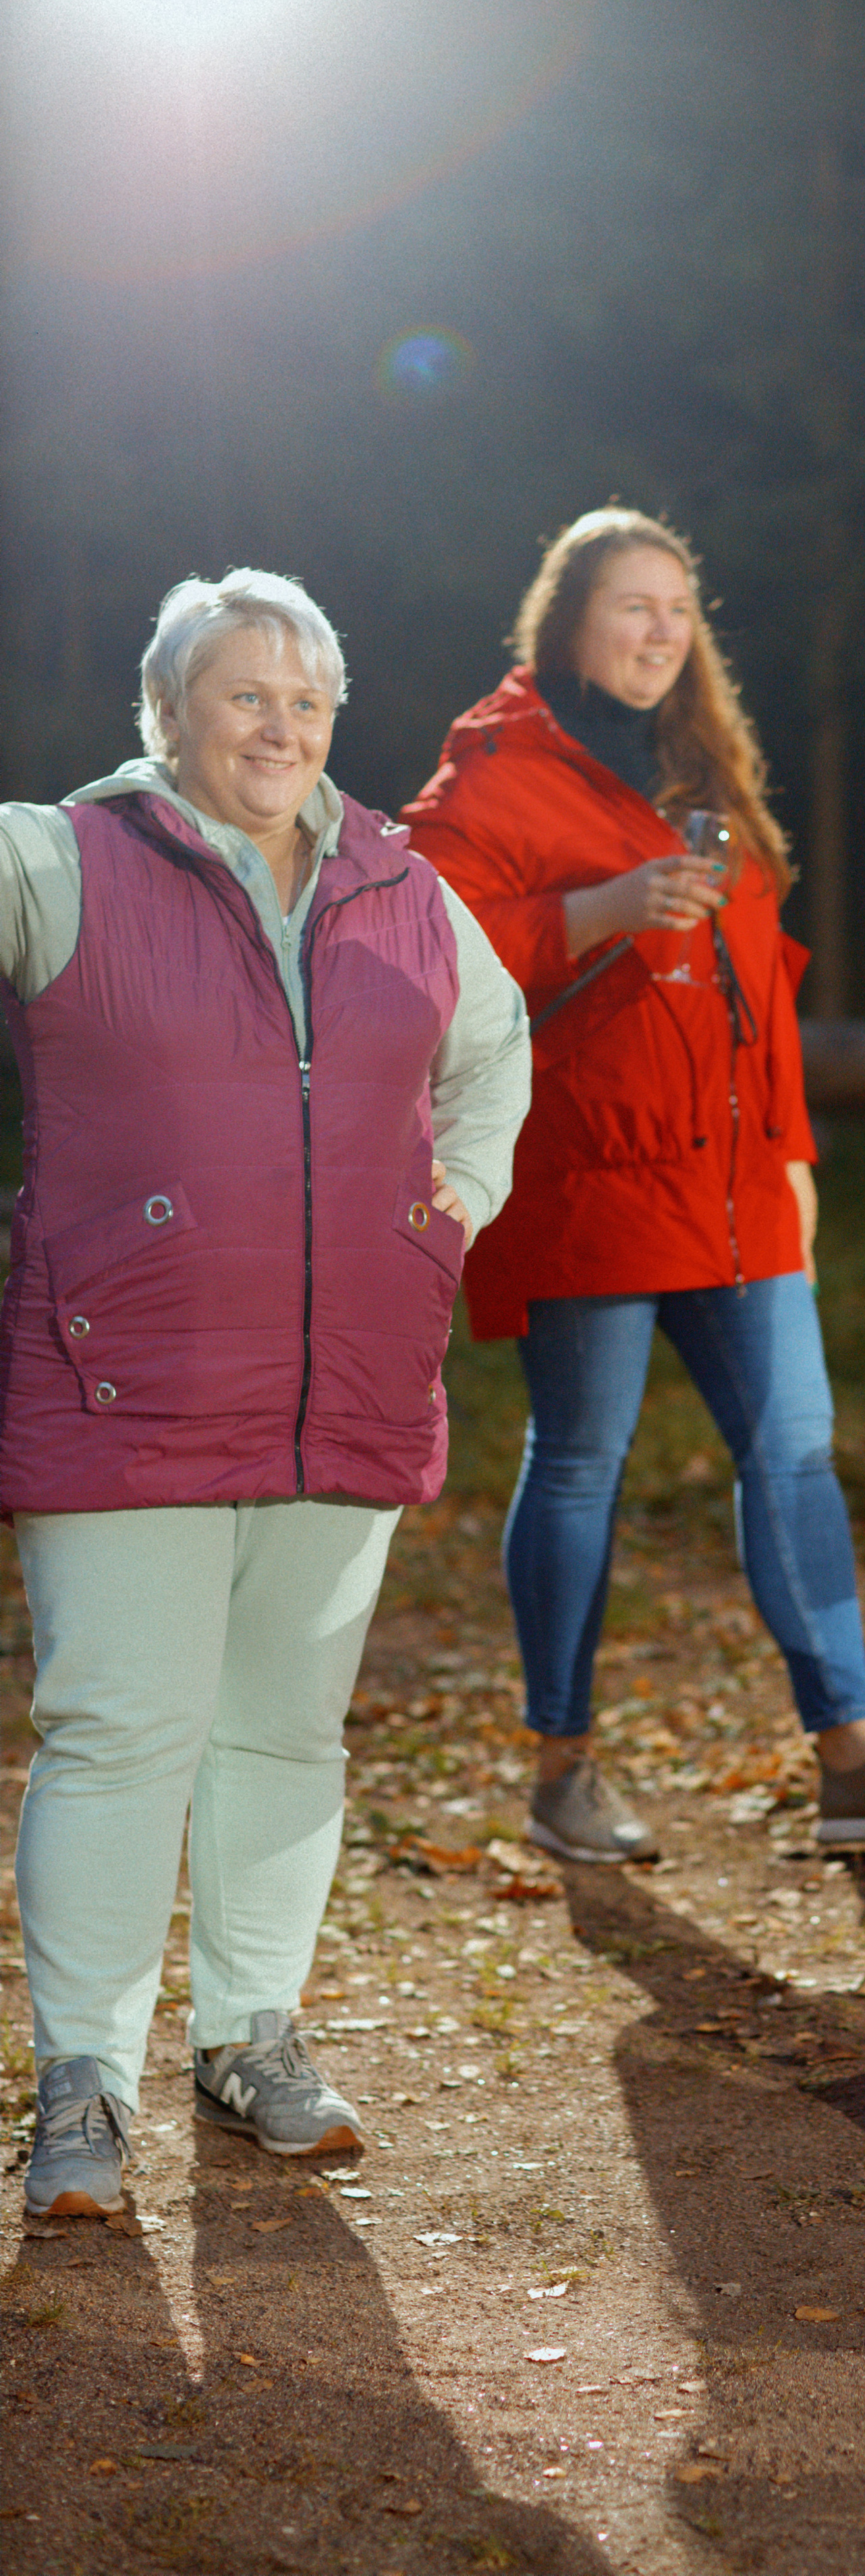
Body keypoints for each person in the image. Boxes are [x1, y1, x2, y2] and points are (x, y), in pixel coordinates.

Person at [1, 568, 530, 2218]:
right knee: (119, 1732)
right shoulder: (64, 859)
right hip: (124, 1383)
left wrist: (451, 1201)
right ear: (169, 712)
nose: (282, 726)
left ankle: (250, 2039)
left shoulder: (400, 884)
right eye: (246, 694)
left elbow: (492, 1045)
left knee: (284, 1733)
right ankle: (81, 2084)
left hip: (345, 1375)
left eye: (307, 700)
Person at [401, 508, 865, 1860]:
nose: (662, 630)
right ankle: (562, 1771)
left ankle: (850, 1760)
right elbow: (421, 951)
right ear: (567, 620)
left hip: (735, 1192)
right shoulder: (491, 776)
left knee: (793, 1452)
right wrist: (594, 912)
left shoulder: (700, 772)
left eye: (679, 607)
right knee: (579, 1470)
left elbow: (762, 990)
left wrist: (794, 1156)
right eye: (632, 604)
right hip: (588, 1185)